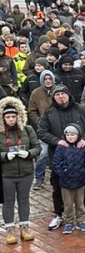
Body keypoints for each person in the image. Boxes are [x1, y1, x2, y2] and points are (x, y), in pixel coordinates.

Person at [37, 83, 85, 229]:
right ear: (54, 97)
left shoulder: (80, 109)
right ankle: (59, 214)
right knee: (57, 186)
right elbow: (41, 131)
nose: (61, 97)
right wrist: (57, 141)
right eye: (57, 94)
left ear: (68, 95)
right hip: (59, 155)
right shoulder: (49, 112)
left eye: (63, 94)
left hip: (80, 155)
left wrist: (84, 139)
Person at [1, 97, 40, 244]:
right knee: (8, 201)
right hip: (7, 174)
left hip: (26, 172)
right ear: (3, 118)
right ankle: (9, 230)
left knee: (24, 200)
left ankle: (25, 227)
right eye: (8, 117)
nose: (11, 119)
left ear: (18, 116)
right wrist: (5, 156)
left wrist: (29, 154)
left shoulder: (28, 130)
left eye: (13, 116)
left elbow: (37, 147)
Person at [52, 124, 85, 234]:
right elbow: (55, 163)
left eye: (73, 135)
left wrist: (84, 171)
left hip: (80, 180)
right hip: (66, 181)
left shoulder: (82, 147)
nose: (71, 137)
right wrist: (63, 173)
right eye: (68, 135)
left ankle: (81, 220)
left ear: (78, 135)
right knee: (68, 204)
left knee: (80, 203)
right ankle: (69, 222)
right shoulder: (61, 148)